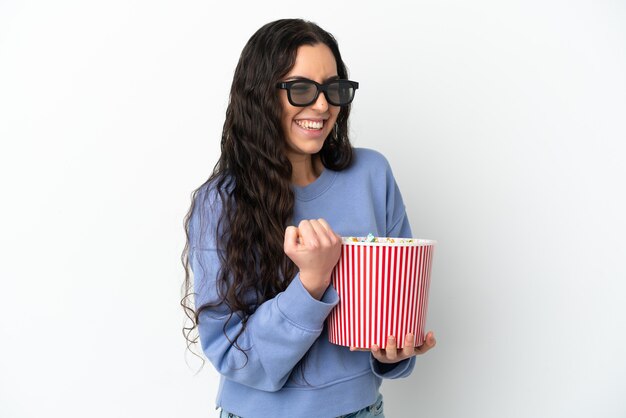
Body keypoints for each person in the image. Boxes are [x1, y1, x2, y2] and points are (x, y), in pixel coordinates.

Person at [181, 18, 436, 418]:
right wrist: (312, 281)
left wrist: (394, 351)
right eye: (301, 89)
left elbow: (395, 319)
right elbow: (233, 357)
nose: (322, 105)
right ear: (261, 95)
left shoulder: (372, 175)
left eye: (333, 89)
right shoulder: (222, 202)